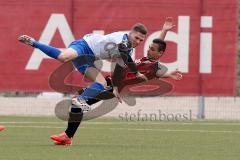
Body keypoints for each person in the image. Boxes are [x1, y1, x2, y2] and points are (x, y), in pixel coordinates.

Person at [49, 17, 182, 145]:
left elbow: (159, 71)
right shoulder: (147, 59)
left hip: (111, 88)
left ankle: (68, 136)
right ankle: (68, 136)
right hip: (109, 83)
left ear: (160, 54)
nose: (148, 49)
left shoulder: (153, 66)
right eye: (149, 47)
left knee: (78, 102)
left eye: (152, 49)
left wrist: (169, 74)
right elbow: (158, 45)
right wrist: (164, 31)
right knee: (78, 101)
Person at [18, 23, 148, 112]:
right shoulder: (121, 38)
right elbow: (125, 54)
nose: (138, 41)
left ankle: (79, 99)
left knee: (102, 83)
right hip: (84, 45)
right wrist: (136, 73)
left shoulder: (128, 51)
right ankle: (34, 42)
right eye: (136, 37)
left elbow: (117, 70)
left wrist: (115, 88)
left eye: (141, 40)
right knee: (63, 57)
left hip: (88, 59)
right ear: (130, 33)